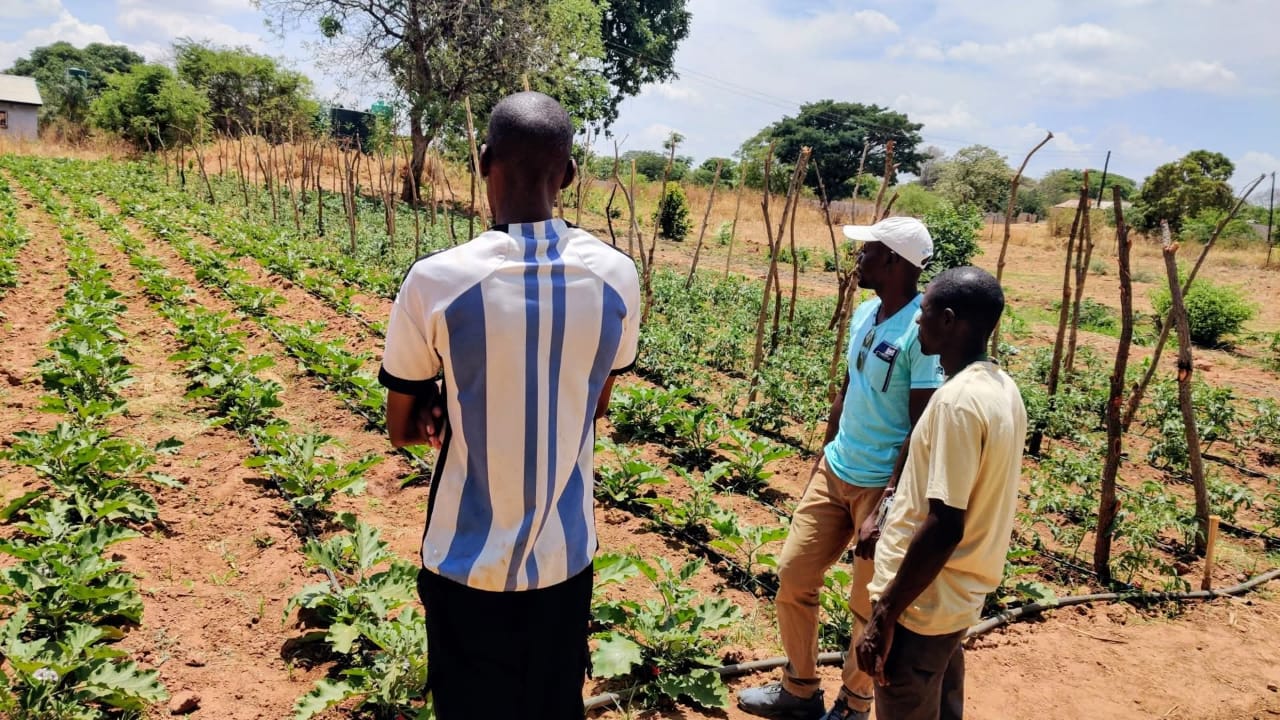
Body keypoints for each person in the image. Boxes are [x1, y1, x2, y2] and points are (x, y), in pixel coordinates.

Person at [377, 91, 641, 720]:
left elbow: (402, 428)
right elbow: (595, 400)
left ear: (484, 161)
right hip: (564, 560)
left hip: (464, 564)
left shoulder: (437, 280)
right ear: (569, 174)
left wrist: (448, 401)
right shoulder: (615, 276)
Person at [739, 217, 944, 720]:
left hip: (880, 487)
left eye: (868, 250)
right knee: (793, 575)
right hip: (838, 471)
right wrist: (821, 457)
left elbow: (922, 427)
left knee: (865, 605)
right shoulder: (867, 313)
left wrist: (891, 501)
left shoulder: (922, 332)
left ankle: (853, 704)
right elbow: (848, 388)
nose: (859, 258)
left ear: (894, 261)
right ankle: (800, 688)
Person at [855, 266, 1028, 720]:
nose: (916, 321)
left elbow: (945, 524)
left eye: (926, 311)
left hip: (921, 606)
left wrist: (884, 615)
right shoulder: (1002, 389)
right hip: (954, 600)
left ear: (949, 321)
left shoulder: (956, 403)